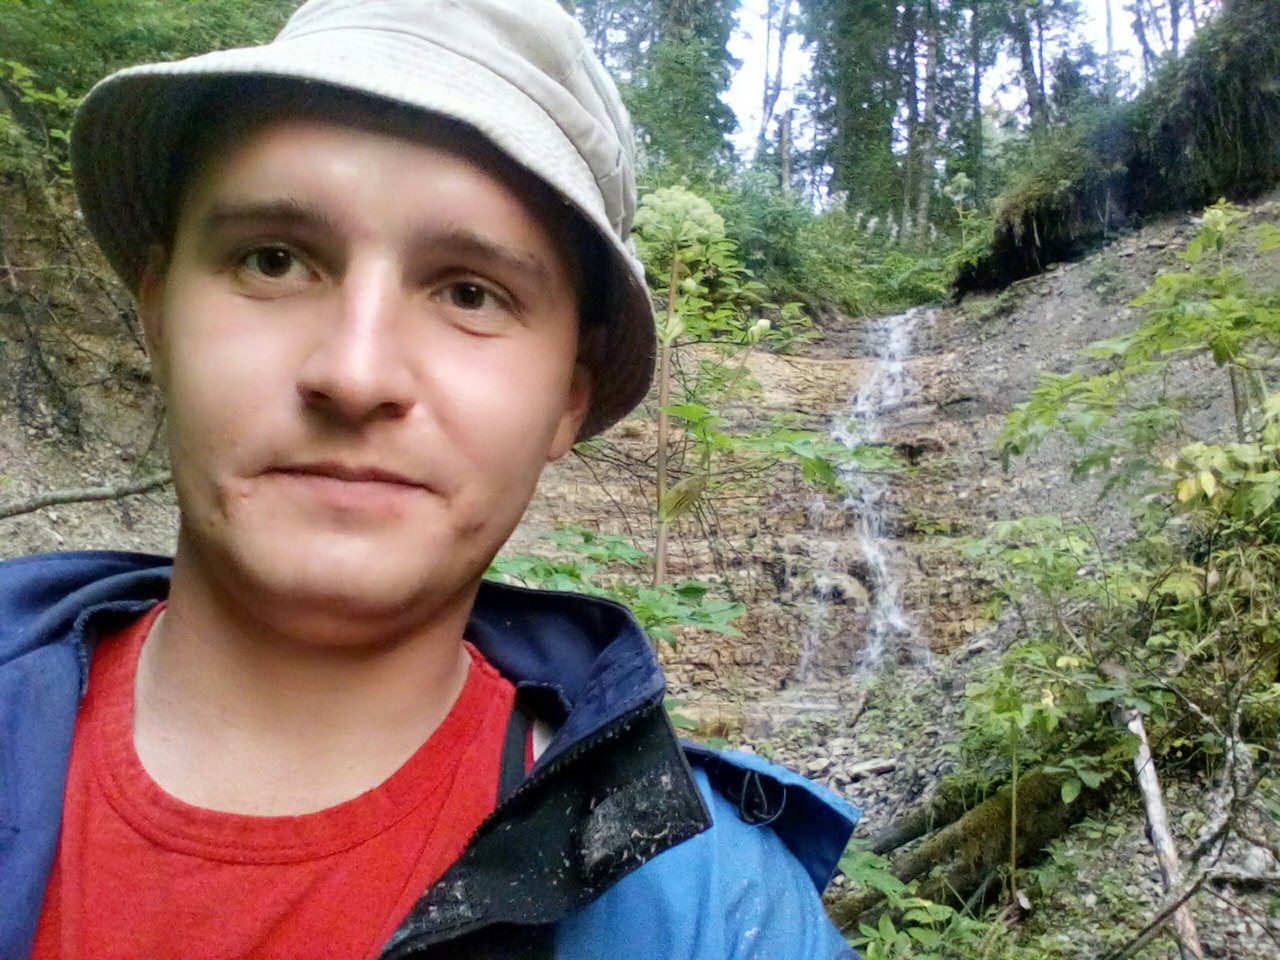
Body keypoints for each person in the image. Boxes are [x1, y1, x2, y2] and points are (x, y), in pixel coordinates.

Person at [0, 1, 860, 957]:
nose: (355, 373)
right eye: (274, 260)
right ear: (158, 314)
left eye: (469, 292)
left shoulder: (714, 915)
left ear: (568, 397)